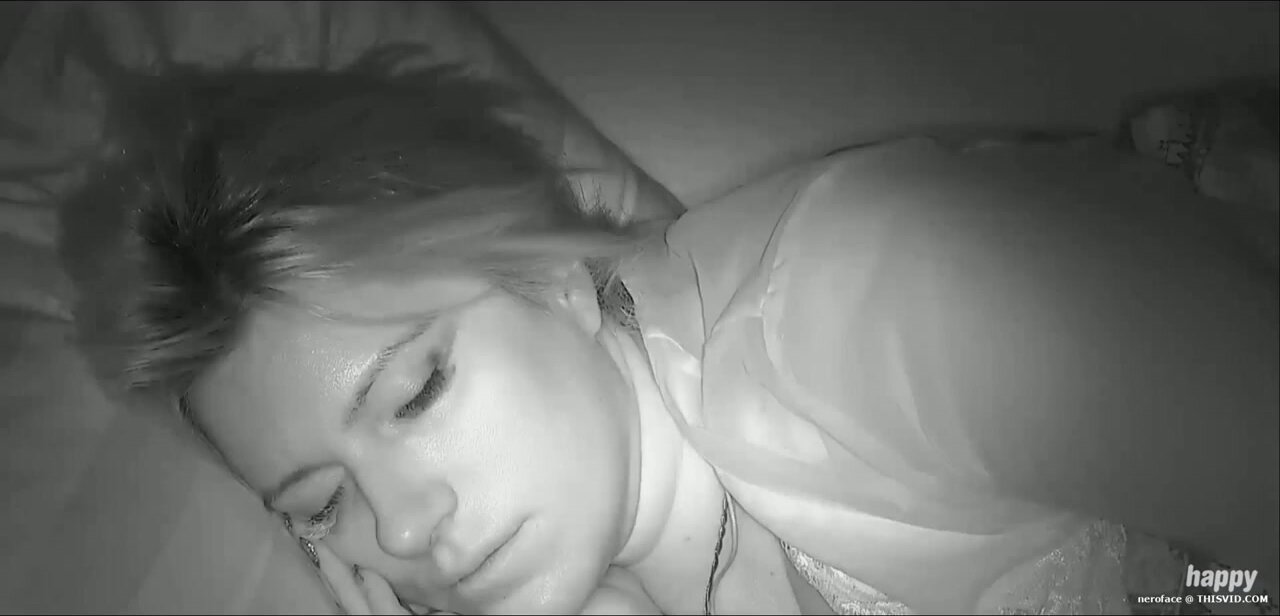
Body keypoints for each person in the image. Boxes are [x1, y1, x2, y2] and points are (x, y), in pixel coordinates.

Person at [58, 46, 1277, 616]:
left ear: (550, 274)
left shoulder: (879, 284)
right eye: (322, 505)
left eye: (417, 389)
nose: (406, 529)